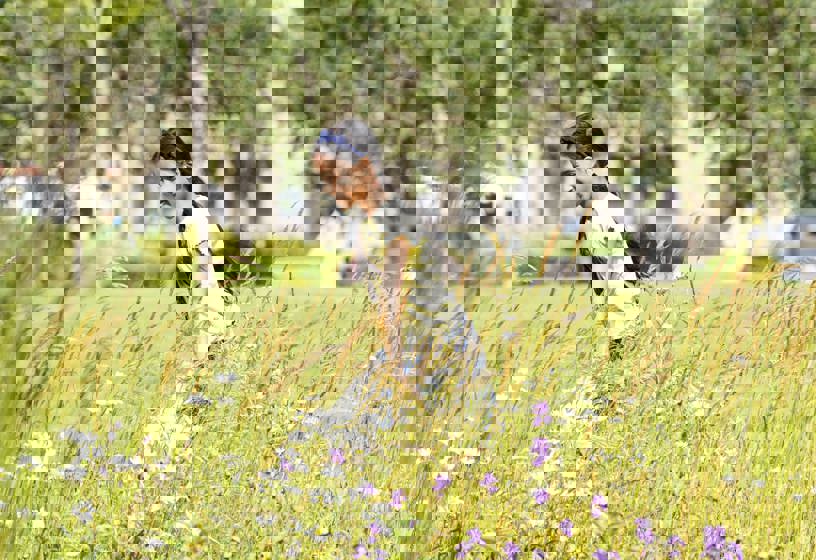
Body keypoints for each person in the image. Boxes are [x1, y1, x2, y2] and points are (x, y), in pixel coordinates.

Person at [562, 115, 642, 361]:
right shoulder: (600, 168)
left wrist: (581, 237)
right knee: (618, 290)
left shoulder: (585, 170)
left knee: (607, 292)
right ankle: (618, 348)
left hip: (602, 230)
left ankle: (614, 349)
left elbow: (590, 204)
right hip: (610, 230)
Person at [150, 128, 238, 345]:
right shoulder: (182, 171)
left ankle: (213, 342)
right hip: (192, 231)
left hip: (197, 230)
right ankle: (211, 340)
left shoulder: (176, 171)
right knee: (198, 291)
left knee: (205, 290)